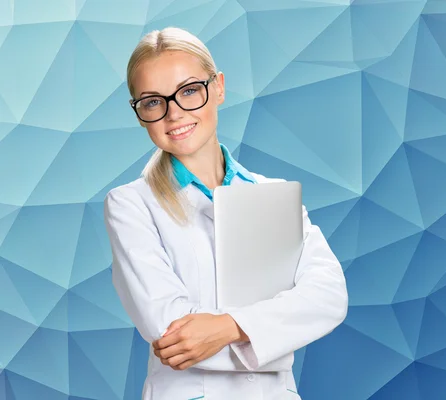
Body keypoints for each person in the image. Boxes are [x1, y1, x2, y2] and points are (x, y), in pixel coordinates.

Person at [103, 26, 348, 400]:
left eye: (188, 91)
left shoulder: (273, 194)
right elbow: (172, 335)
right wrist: (275, 339)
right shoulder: (131, 205)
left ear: (217, 87)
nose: (174, 114)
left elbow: (328, 297)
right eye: (153, 101)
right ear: (139, 114)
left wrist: (230, 327)